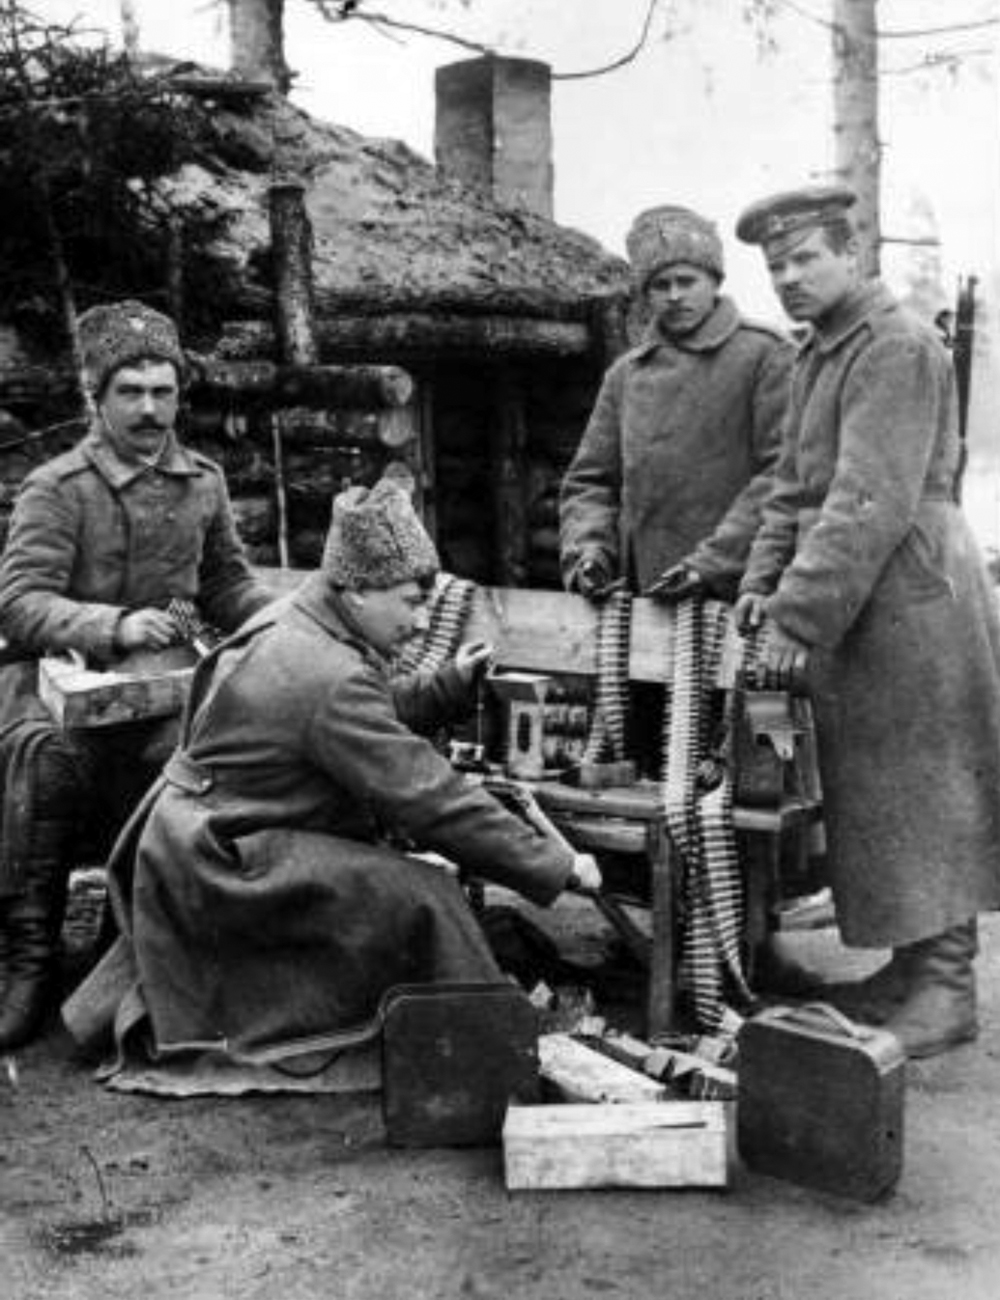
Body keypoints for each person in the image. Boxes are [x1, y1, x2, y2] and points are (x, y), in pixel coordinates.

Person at [65, 478, 601, 1068]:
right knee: (425, 896)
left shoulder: (304, 617)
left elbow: (356, 713)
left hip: (196, 837)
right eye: (411, 601)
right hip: (223, 862)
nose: (423, 621)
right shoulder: (323, 670)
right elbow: (428, 796)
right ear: (359, 592)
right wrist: (555, 864)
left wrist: (445, 687)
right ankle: (473, 1057)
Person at [733, 184, 1000, 1059]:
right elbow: (791, 488)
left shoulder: (895, 346)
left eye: (806, 258)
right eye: (776, 266)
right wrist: (762, 581)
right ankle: (909, 969)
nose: (788, 278)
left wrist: (796, 617)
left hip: (912, 597)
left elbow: (865, 500)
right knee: (877, 791)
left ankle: (947, 988)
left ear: (853, 255)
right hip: (859, 598)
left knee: (927, 790)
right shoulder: (822, 352)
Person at [0, 299, 275, 1049]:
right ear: (97, 396)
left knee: (188, 762)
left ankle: (133, 957)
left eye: (163, 391)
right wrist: (112, 625)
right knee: (48, 761)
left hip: (161, 683)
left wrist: (276, 619)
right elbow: (19, 601)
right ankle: (29, 961)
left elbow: (226, 583)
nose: (150, 409)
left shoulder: (203, 481)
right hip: (53, 684)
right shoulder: (59, 487)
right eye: (130, 392)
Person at [559, 203, 794, 603]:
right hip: (645, 593)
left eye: (687, 281)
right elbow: (589, 482)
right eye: (659, 285)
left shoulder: (765, 355)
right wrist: (589, 553)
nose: (674, 296)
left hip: (739, 592)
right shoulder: (626, 375)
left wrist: (710, 565)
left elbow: (782, 474)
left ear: (714, 281)